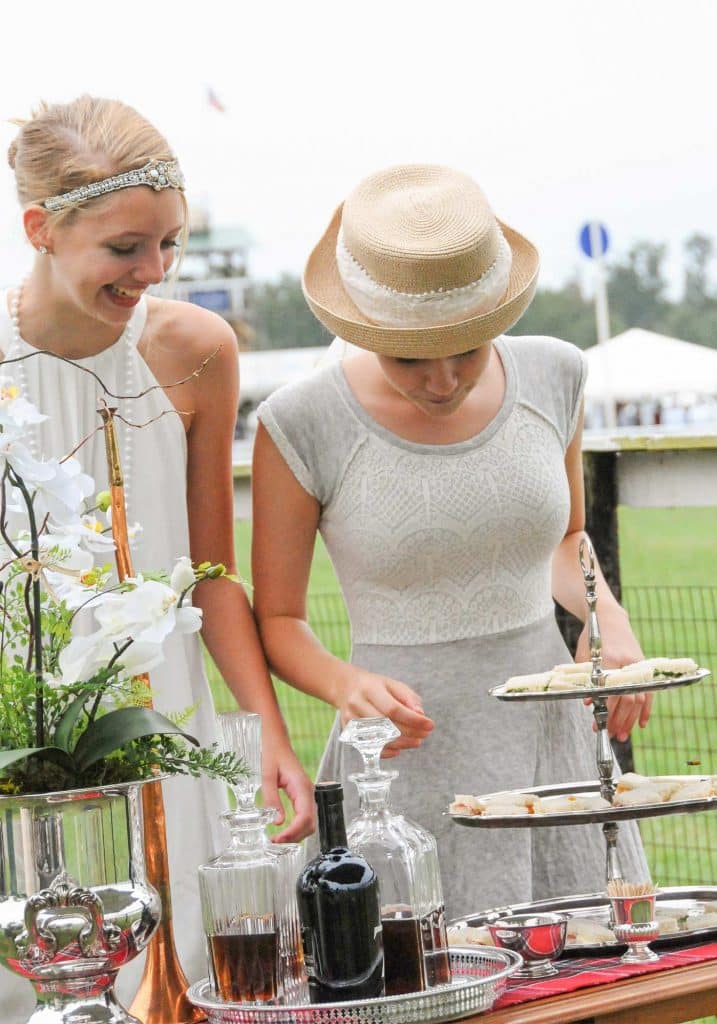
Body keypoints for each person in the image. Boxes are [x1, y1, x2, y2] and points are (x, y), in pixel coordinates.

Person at [252, 164, 650, 919]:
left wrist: (611, 627)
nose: (441, 381)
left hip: (549, 742)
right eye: (409, 359)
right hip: (401, 756)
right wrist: (344, 685)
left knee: (586, 968)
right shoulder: (299, 422)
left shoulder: (555, 374)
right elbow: (278, 619)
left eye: (466, 350)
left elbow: (565, 537)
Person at [1, 95, 314, 1017]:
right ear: (41, 230)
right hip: (24, 729)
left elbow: (213, 573)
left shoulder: (194, 349)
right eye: (125, 247)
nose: (154, 269)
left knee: (181, 969)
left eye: (169, 243)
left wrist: (265, 736)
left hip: (168, 723)